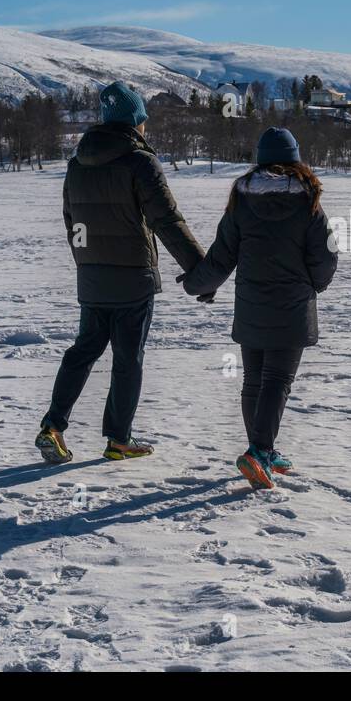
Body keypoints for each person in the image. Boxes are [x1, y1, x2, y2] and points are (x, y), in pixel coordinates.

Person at [35, 81, 213, 464]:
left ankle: (53, 425)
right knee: (128, 358)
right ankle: (119, 438)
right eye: (143, 119)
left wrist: (86, 263)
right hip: (132, 276)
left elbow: (71, 220)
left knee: (83, 351)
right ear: (134, 121)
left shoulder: (77, 162)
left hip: (93, 276)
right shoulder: (139, 161)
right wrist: (201, 271)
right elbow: (166, 220)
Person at [181, 127, 337, 489]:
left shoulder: (242, 201)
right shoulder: (308, 202)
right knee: (278, 381)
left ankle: (261, 447)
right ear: (296, 159)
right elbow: (325, 256)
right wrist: (315, 284)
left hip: (251, 305)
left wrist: (196, 284)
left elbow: (222, 256)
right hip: (292, 306)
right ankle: (260, 452)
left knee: (255, 381)